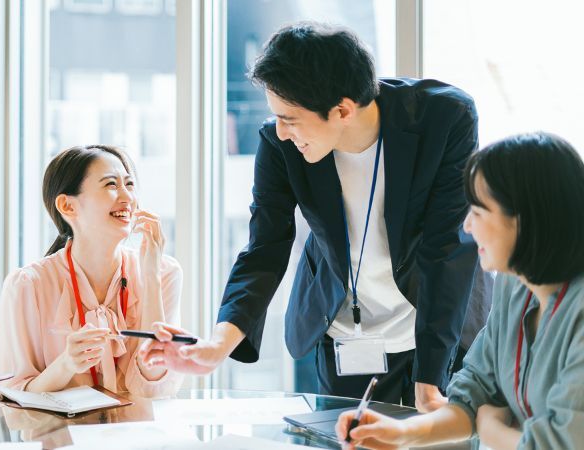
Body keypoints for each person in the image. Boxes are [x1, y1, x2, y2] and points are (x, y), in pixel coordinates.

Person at [140, 21, 486, 410]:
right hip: (344, 333)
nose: (282, 132)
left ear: (342, 109)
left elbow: (447, 247)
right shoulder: (279, 144)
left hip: (436, 326)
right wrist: (218, 344)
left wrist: (429, 380)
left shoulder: (444, 118)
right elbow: (265, 248)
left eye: (290, 118)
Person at [336, 132, 584, 450]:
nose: (467, 227)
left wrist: (490, 429)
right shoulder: (515, 284)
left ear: (526, 221)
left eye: (478, 213)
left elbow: (562, 443)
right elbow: (475, 391)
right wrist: (400, 434)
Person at [0, 145, 183, 398]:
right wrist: (66, 365)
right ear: (68, 206)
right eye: (111, 185)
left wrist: (151, 279)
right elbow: (14, 401)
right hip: (63, 436)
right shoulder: (27, 286)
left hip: (141, 435)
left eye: (129, 184)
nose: (128, 197)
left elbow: (154, 391)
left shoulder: (164, 272)